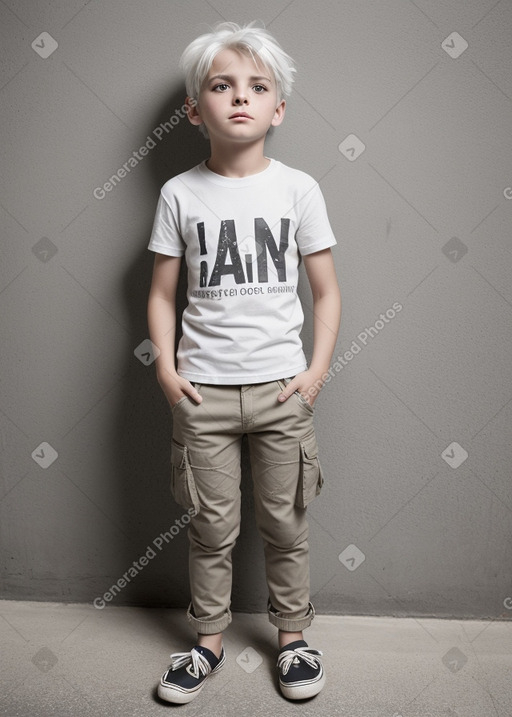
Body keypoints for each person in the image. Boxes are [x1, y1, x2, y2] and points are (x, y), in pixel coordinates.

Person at [146, 20, 341, 704]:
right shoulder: (179, 193)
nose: (240, 98)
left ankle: (293, 639)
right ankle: (206, 642)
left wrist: (315, 371)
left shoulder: (298, 189)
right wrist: (168, 372)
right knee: (210, 526)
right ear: (195, 109)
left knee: (286, 522)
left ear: (277, 108)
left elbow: (326, 291)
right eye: (222, 86)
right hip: (203, 396)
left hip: (282, 391)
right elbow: (163, 294)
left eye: (257, 87)